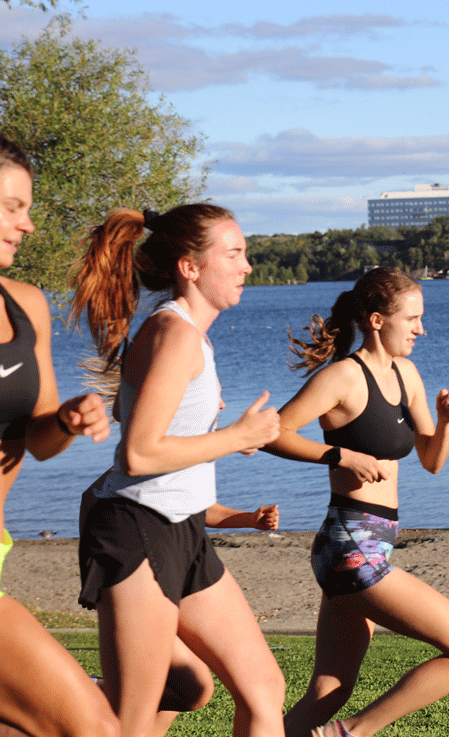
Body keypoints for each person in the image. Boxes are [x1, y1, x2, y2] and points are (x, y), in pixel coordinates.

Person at [70, 203, 286, 737]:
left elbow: (172, 463)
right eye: (233, 254)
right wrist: (238, 437)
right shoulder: (175, 333)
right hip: (136, 530)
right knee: (130, 722)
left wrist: (234, 514)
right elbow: (138, 456)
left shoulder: (190, 334)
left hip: (180, 530)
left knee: (249, 689)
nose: (247, 266)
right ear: (190, 267)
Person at [264, 267, 449, 737]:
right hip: (351, 544)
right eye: (412, 318)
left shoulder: (407, 374)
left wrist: (446, 422)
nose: (421, 329)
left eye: (421, 318)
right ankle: (352, 733)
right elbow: (271, 433)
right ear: (377, 320)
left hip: (373, 542)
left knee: (330, 690)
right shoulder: (343, 377)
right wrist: (340, 454)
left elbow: (430, 460)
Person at [0, 136, 119, 737]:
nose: (29, 223)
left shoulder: (26, 306)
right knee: (90, 728)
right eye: (14, 206)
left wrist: (69, 419)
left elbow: (38, 439)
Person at [80, 467, 280, 737]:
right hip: (139, 554)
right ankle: (78, 697)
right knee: (149, 701)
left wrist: (248, 518)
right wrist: (98, 577)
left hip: (185, 551)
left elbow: (199, 505)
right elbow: (91, 497)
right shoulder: (140, 458)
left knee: (193, 690)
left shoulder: (189, 456)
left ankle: (91, 692)